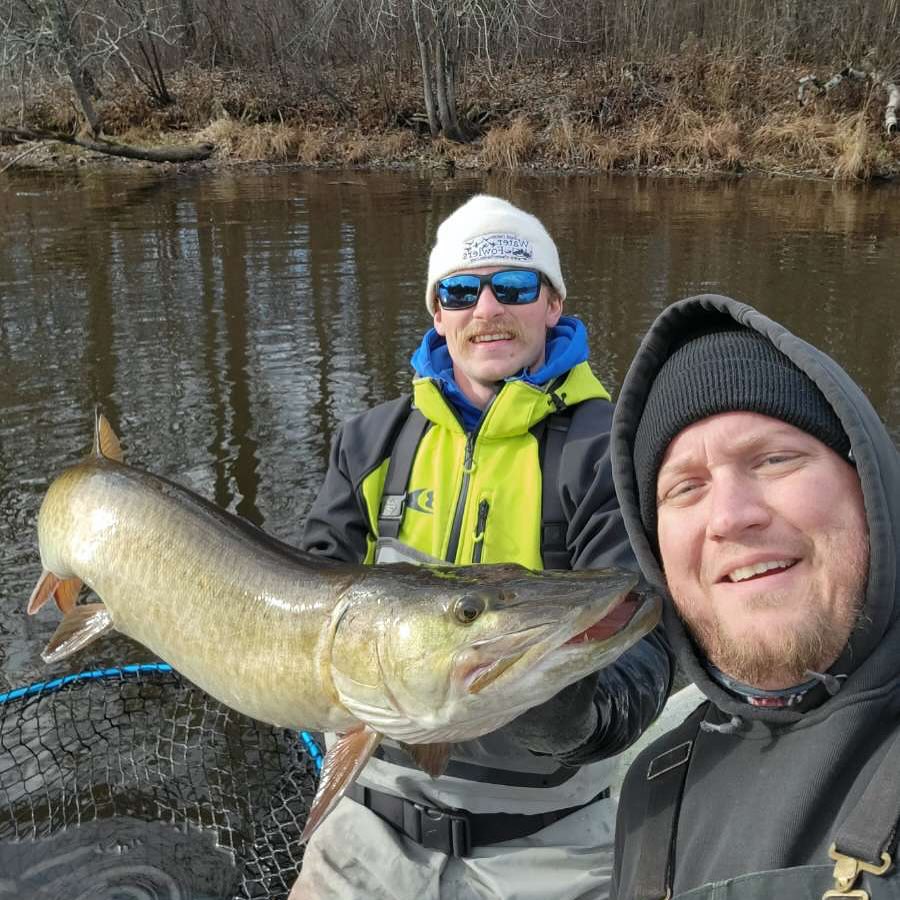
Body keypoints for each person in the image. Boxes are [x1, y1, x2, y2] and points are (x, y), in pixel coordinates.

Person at [293, 194, 672, 900]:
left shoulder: (613, 451)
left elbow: (646, 647)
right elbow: (308, 596)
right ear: (438, 313)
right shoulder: (370, 442)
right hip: (369, 826)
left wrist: (574, 718)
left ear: (552, 304)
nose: (487, 308)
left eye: (515, 287)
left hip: (547, 842)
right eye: (462, 291)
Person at [610, 293, 900, 899]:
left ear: (868, 484)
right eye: (685, 488)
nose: (730, 517)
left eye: (773, 459)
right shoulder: (653, 791)